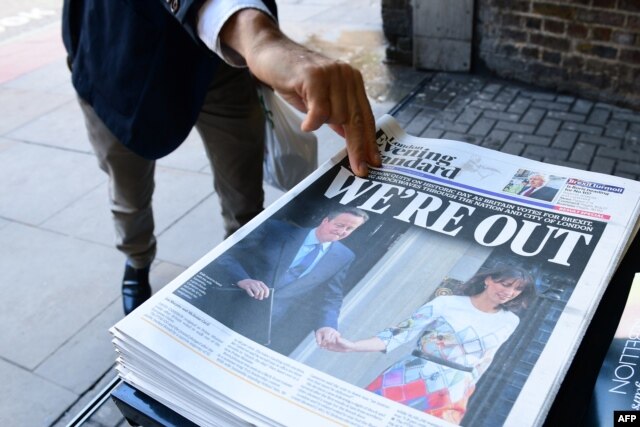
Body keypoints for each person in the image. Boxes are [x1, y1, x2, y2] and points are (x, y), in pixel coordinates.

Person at [62, 0, 381, 315]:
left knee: (244, 196)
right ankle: (137, 260)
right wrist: (258, 38)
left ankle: (243, 265)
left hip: (217, 63)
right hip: (118, 52)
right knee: (129, 190)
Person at [323, 266, 536, 424]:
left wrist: (466, 390)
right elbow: (399, 333)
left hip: (454, 389)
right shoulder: (447, 303)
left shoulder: (510, 321)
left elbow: (487, 359)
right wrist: (352, 346)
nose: (509, 292)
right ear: (488, 280)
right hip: (409, 376)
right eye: (505, 284)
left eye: (517, 290)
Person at [211, 207, 369, 355]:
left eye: (350, 229)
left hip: (262, 322)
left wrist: (327, 325)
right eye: (339, 225)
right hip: (227, 302)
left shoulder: (344, 256)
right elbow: (227, 255)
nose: (342, 232)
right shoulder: (276, 230)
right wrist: (243, 279)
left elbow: (331, 296)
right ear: (325, 220)